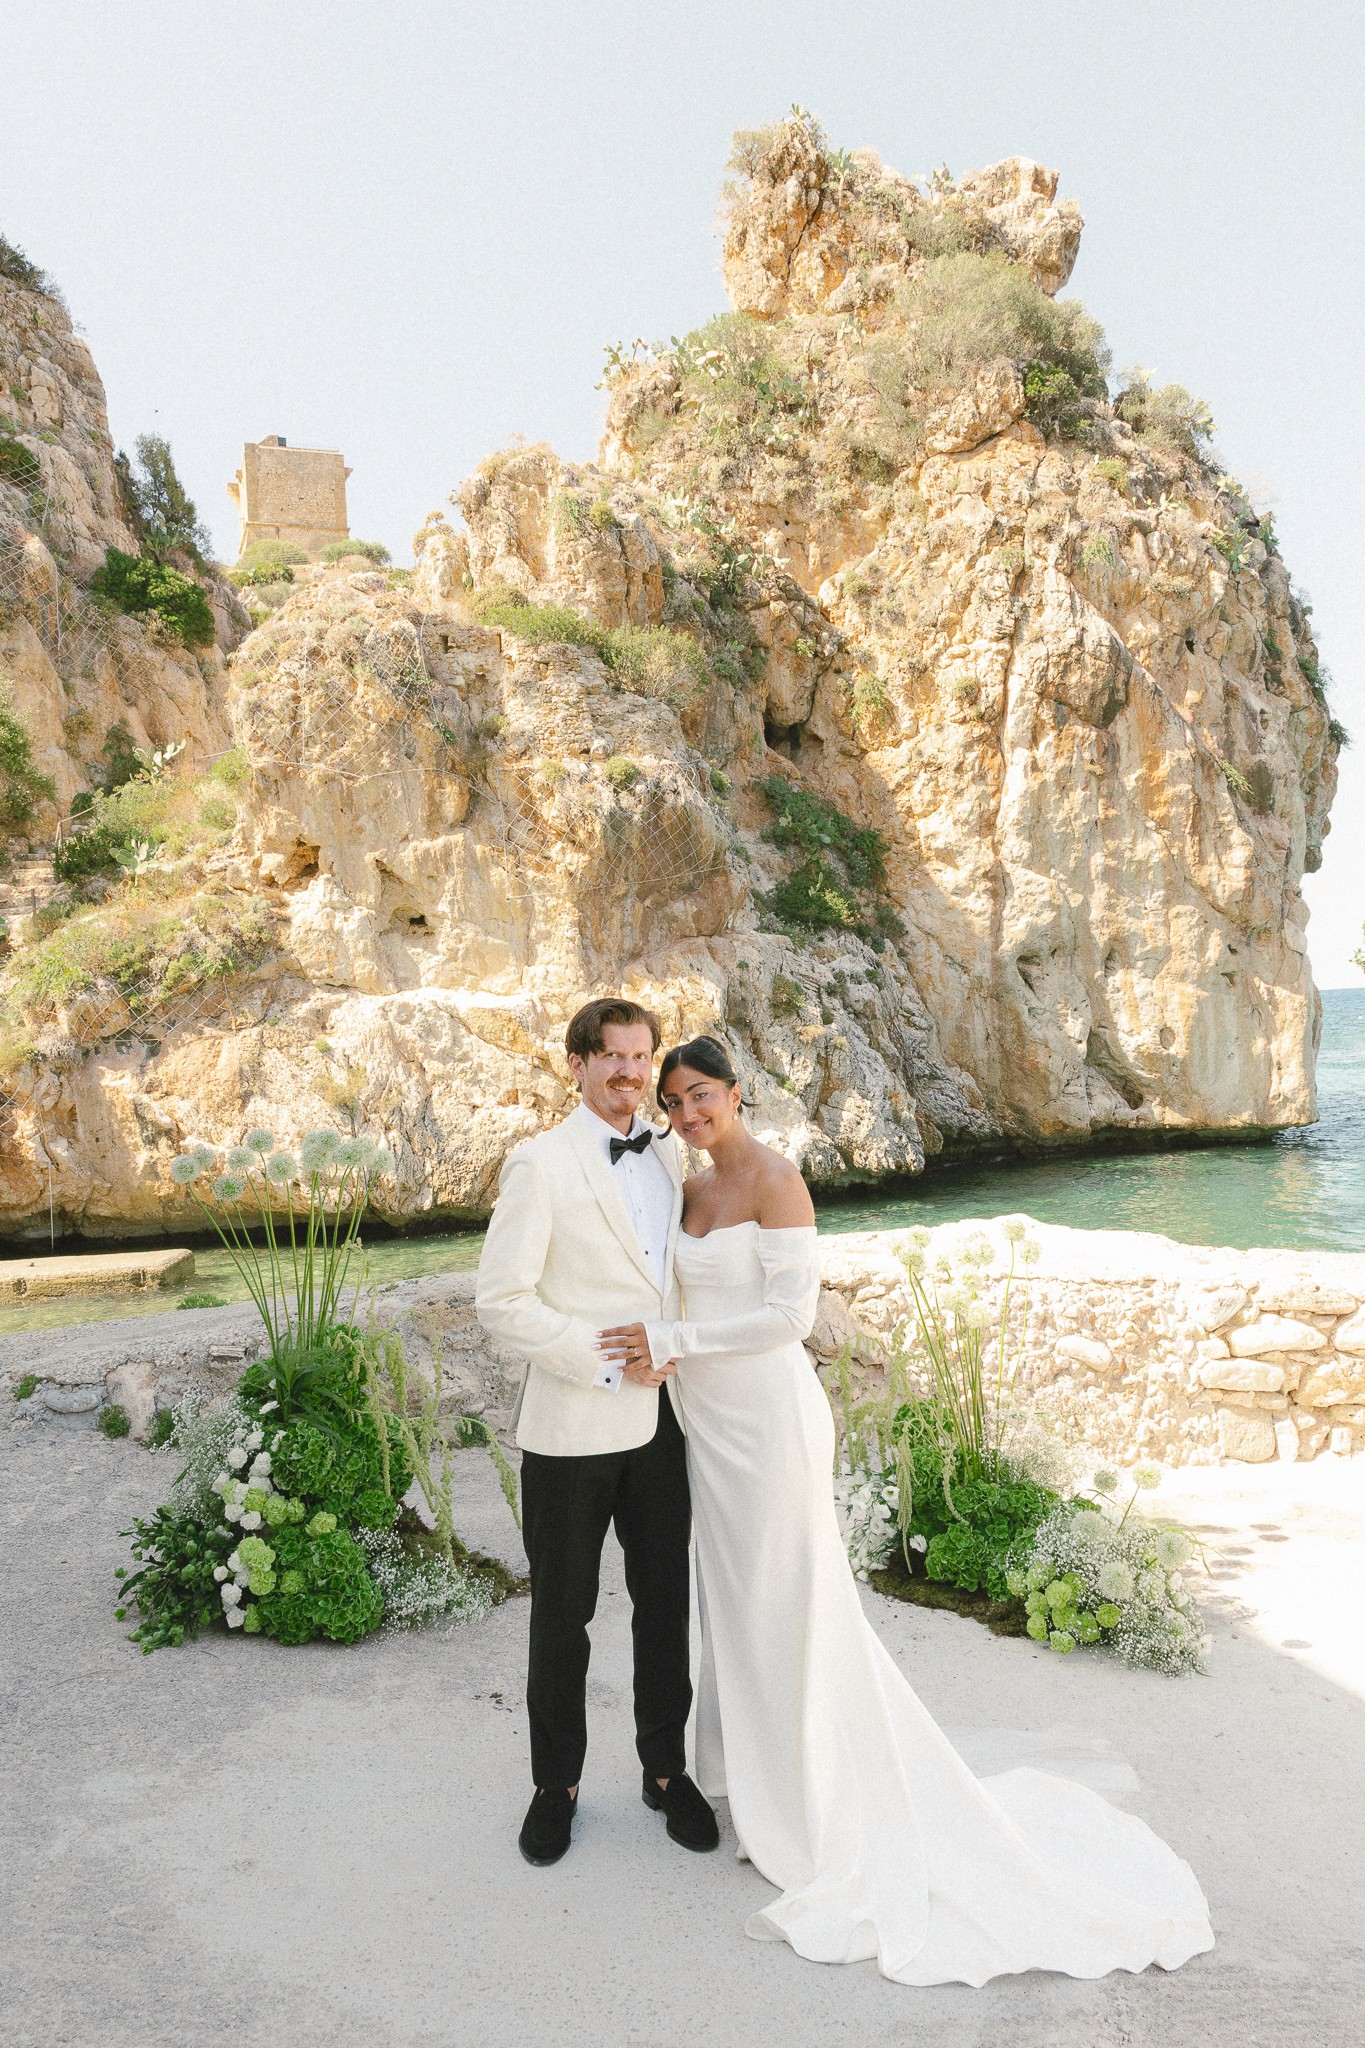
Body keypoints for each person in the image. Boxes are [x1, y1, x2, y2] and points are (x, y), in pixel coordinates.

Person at [596, 1035, 1215, 1988]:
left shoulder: (776, 1180)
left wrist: (672, 1337)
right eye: (673, 1102)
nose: (686, 1114)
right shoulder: (688, 1183)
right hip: (706, 1424)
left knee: (791, 1596)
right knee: (734, 1601)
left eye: (701, 1095)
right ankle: (751, 1777)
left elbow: (789, 1318)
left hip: (768, 1420)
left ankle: (812, 1793)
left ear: (736, 1092)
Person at [474, 997, 719, 1867]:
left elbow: (674, 1281)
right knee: (561, 1617)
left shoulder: (668, 1152)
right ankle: (556, 1787)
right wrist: (609, 1361)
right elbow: (501, 1300)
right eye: (611, 1055)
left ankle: (665, 1771)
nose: (627, 1071)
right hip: (571, 1426)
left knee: (664, 1606)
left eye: (639, 1056)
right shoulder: (539, 1165)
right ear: (577, 1064)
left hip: (662, 1427)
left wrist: (677, 1346)